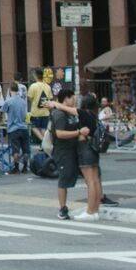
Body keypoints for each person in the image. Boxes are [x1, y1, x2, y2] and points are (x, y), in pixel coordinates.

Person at [49, 85, 87, 221]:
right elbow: (59, 133)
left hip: (74, 149)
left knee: (86, 175)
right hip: (63, 151)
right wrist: (78, 133)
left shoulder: (69, 113)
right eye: (73, 99)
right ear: (66, 99)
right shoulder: (59, 114)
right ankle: (62, 208)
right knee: (64, 179)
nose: (74, 102)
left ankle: (97, 199)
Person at [1, 83, 30, 163]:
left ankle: (16, 167)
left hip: (13, 129)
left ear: (10, 90)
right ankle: (25, 167)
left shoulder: (8, 101)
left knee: (15, 150)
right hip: (24, 127)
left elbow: (2, 112)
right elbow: (25, 114)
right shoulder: (23, 101)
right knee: (26, 150)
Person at [27, 69, 54, 149]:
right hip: (46, 112)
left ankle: (43, 141)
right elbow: (50, 98)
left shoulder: (33, 86)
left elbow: (30, 98)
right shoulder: (48, 86)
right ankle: (44, 144)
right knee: (43, 129)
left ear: (36, 76)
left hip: (35, 112)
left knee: (33, 126)